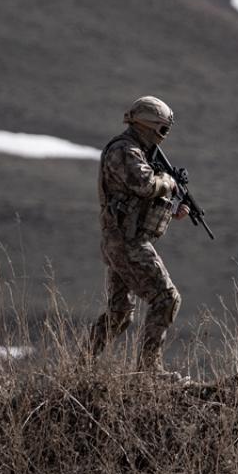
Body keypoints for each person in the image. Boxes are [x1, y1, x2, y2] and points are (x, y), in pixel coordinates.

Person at [89, 96, 191, 377]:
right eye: (162, 129)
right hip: (126, 242)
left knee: (120, 312)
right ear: (150, 125)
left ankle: (83, 366)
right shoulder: (126, 151)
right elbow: (144, 185)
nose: (164, 137)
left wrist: (172, 209)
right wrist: (169, 182)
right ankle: (149, 372)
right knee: (167, 298)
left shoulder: (139, 153)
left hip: (123, 239)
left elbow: (137, 201)